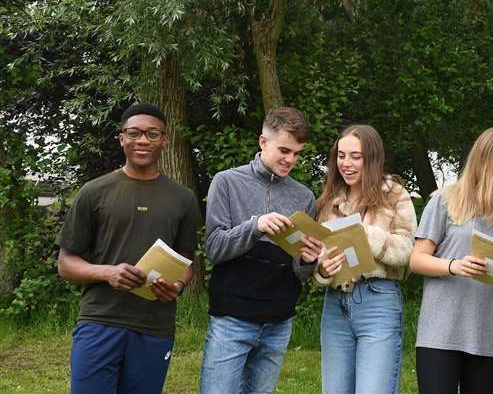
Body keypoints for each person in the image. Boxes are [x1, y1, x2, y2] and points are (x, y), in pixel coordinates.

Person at [56, 103, 200, 394]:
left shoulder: (183, 198)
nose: (143, 140)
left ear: (165, 139)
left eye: (152, 134)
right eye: (134, 133)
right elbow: (66, 263)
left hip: (155, 326)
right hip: (99, 321)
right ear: (121, 138)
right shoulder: (94, 192)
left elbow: (187, 260)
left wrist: (179, 285)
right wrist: (108, 273)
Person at [199, 107, 324, 394]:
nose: (290, 159)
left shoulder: (304, 197)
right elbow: (214, 249)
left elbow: (300, 272)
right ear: (262, 142)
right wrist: (256, 227)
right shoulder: (227, 181)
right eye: (284, 150)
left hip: (279, 322)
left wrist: (308, 260)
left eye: (297, 153)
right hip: (231, 318)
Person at [409, 126, 493, 394]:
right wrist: (454, 266)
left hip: (489, 337)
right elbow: (417, 260)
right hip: (440, 334)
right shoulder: (444, 201)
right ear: (480, 159)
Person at [314, 124, 417, 394]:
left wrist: (362, 231)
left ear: (371, 158)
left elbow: (406, 250)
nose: (346, 164)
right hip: (335, 304)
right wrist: (323, 269)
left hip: (378, 302)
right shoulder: (329, 199)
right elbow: (318, 256)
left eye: (355, 156)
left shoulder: (394, 194)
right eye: (341, 155)